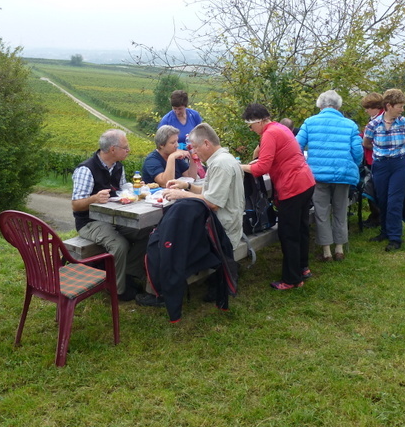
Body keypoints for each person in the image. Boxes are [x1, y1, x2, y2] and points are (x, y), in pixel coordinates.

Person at [136, 122, 245, 307]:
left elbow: (212, 203)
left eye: (195, 147)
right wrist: (186, 186)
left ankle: (163, 293)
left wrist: (182, 195)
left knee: (163, 243)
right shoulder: (224, 159)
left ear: (206, 143)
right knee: (170, 233)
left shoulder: (220, 165)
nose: (194, 152)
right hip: (225, 224)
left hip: (220, 229)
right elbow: (209, 191)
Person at [240, 104, 315, 290]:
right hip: (305, 182)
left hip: (292, 187)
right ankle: (302, 267)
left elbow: (261, 168)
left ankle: (291, 279)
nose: (251, 129)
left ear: (259, 121)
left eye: (250, 125)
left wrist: (239, 167)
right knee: (301, 228)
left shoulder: (269, 134)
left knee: (288, 233)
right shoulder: (280, 128)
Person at [71, 129, 147, 300]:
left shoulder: (118, 166)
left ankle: (128, 273)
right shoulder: (86, 169)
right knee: (119, 245)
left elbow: (121, 190)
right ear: (113, 149)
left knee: (147, 232)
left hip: (116, 218)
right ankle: (118, 290)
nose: (128, 150)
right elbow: (75, 205)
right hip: (89, 222)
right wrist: (94, 199)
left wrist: (135, 189)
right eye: (125, 148)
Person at [296, 90, 363, 262]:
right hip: (343, 174)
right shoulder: (350, 125)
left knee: (321, 212)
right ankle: (339, 248)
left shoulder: (309, 122)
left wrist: (304, 164)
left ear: (320, 105)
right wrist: (352, 165)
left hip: (317, 175)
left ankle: (326, 251)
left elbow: (296, 146)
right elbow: (358, 152)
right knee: (340, 210)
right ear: (338, 106)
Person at [362, 89, 405, 251]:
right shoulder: (373, 125)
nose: (402, 110)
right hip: (380, 166)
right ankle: (384, 231)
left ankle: (395, 237)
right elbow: (366, 143)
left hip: (400, 165)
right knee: (382, 200)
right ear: (389, 106)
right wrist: (379, 150)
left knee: (394, 201)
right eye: (400, 106)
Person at [360, 93, 384, 227]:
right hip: (371, 159)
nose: (366, 111)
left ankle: (377, 217)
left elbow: (370, 140)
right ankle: (375, 215)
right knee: (371, 188)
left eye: (368, 108)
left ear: (376, 107)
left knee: (374, 189)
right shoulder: (375, 118)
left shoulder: (379, 120)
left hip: (374, 159)